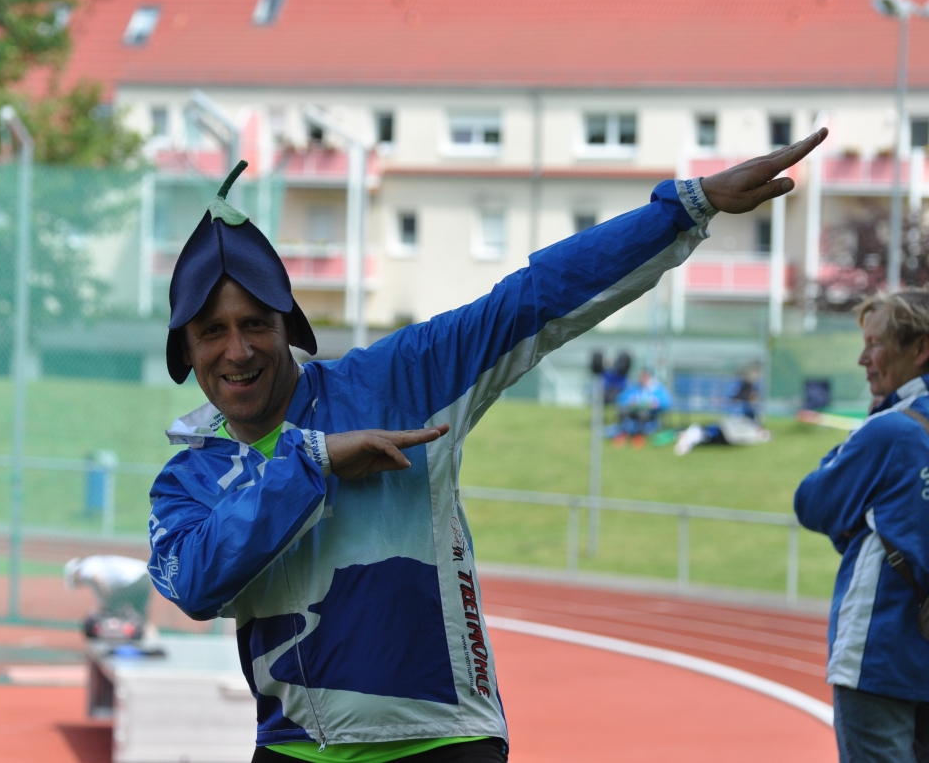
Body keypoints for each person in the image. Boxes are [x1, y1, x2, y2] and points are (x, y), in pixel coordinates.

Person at [148, 131, 826, 763]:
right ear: (186, 350)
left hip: (441, 739)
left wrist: (687, 207)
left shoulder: (400, 378)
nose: (238, 350)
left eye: (254, 324)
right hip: (294, 748)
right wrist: (315, 461)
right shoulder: (189, 479)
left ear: (288, 327)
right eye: (212, 331)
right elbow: (198, 585)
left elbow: (533, 300)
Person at [795, 289, 929, 763]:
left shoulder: (891, 430)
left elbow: (813, 502)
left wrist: (858, 523)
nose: (862, 359)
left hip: (881, 651)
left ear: (920, 348)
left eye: (875, 344)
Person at [613, 369, 672, 447]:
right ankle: (623, 434)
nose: (642, 379)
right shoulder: (634, 388)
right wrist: (629, 402)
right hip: (632, 412)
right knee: (622, 411)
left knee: (642, 413)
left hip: (650, 416)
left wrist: (656, 404)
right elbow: (620, 399)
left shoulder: (657, 389)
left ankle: (639, 436)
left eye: (645, 377)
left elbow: (667, 403)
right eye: (641, 377)